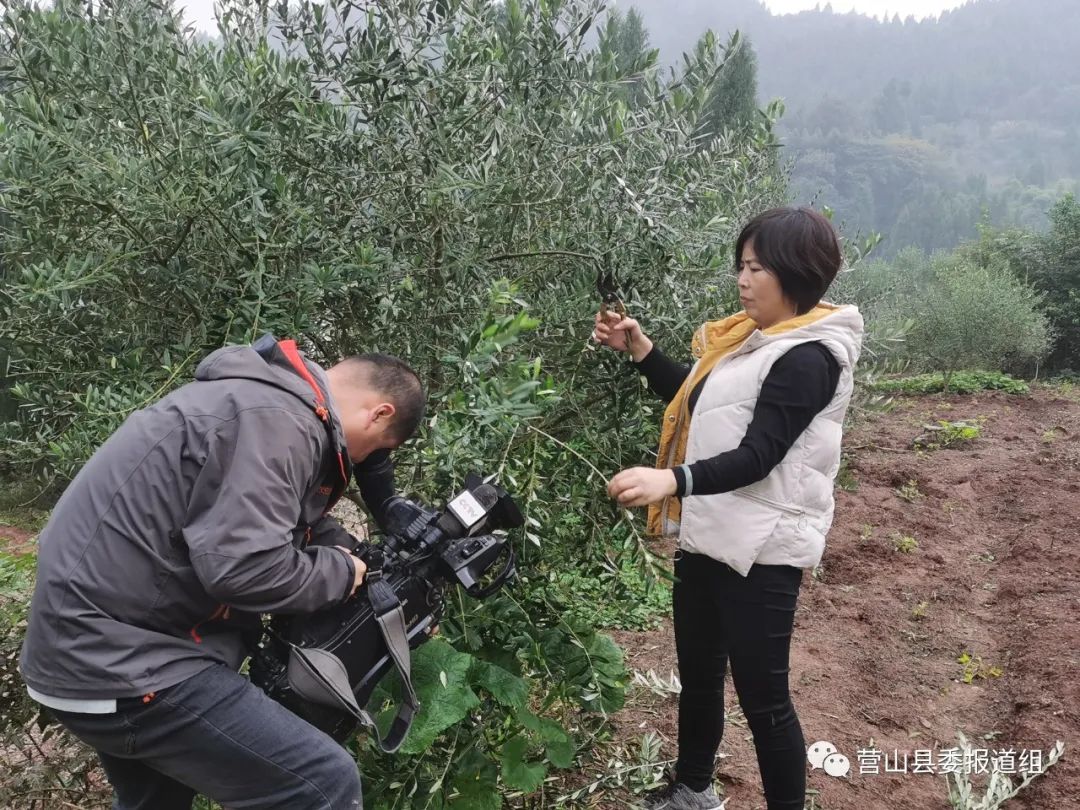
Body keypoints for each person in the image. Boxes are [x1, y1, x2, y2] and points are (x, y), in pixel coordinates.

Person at [19, 334, 426, 810]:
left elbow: (282, 523)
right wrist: (339, 571)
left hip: (80, 651)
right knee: (322, 784)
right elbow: (244, 570)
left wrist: (357, 556)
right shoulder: (281, 423)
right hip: (123, 663)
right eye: (367, 452)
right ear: (379, 413)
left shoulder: (254, 401)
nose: (357, 463)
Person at [593, 207, 863, 810]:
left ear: (795, 272)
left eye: (756, 267)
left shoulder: (810, 356)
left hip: (764, 548)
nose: (742, 280)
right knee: (699, 677)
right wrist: (641, 351)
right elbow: (703, 403)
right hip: (712, 535)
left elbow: (759, 454)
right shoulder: (749, 343)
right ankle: (693, 789)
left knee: (765, 701)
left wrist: (672, 478)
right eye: (741, 266)